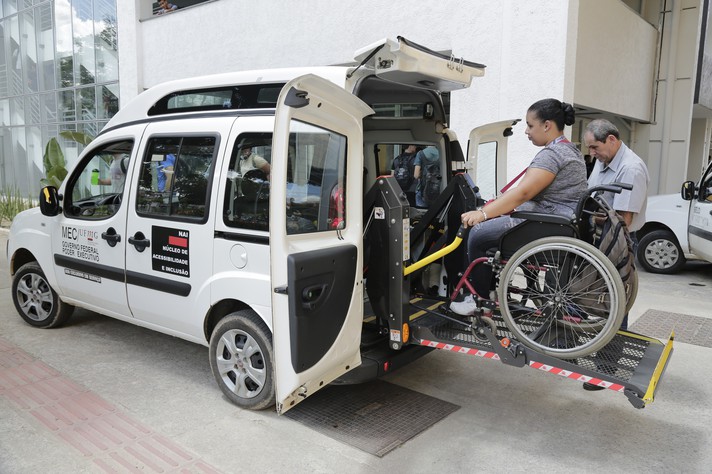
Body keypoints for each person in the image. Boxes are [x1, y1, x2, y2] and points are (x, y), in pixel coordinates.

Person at [450, 98, 587, 315]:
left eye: (530, 125)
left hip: (546, 222)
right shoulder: (571, 150)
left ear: (547, 125)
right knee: (491, 227)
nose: (526, 131)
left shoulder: (553, 155)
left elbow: (522, 194)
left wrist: (483, 214)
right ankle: (493, 292)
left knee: (477, 234)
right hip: (558, 222)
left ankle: (480, 301)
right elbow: (523, 190)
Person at [582, 118, 649, 391]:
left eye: (595, 147)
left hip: (619, 237)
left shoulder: (630, 169)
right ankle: (576, 343)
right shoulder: (603, 160)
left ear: (612, 139)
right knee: (585, 293)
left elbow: (623, 220)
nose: (592, 154)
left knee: (614, 302)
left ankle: (606, 369)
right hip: (598, 235)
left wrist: (587, 218)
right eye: (589, 149)